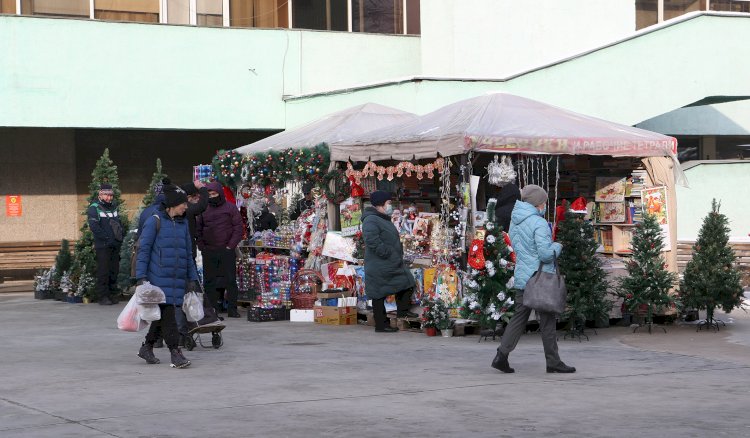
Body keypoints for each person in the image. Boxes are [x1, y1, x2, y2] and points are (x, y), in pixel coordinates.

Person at [491, 184, 576, 374]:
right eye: (544, 202)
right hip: (540, 279)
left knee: (519, 318)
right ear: (538, 203)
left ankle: (501, 355)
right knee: (547, 321)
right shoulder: (538, 223)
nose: (545, 205)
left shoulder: (515, 221)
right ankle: (553, 361)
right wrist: (558, 246)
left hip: (523, 276)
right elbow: (546, 254)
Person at [135, 184, 197, 369]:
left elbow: (188, 253)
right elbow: (143, 250)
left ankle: (147, 347)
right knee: (169, 314)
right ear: (172, 204)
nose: (186, 207)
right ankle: (175, 352)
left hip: (177, 278)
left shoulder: (183, 223)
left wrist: (192, 277)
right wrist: (141, 277)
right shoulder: (154, 221)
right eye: (183, 204)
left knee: (162, 315)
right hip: (158, 278)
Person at [361, 190, 418, 333]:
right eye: (388, 203)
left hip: (389, 262)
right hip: (379, 263)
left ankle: (402, 311)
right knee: (378, 294)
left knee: (407, 282)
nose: (390, 205)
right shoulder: (371, 219)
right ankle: (381, 324)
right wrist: (387, 253)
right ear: (381, 204)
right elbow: (372, 241)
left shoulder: (382, 218)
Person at [196, 182, 244, 318]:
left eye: (214, 194)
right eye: (209, 194)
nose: (212, 196)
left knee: (230, 280)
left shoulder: (230, 208)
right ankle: (212, 310)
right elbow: (198, 229)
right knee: (209, 282)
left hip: (226, 250)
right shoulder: (203, 209)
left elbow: (238, 228)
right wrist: (202, 247)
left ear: (220, 193)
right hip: (209, 250)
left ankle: (232, 309)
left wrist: (230, 246)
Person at [87, 183, 124, 305]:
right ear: (100, 194)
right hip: (103, 246)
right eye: (106, 195)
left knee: (114, 270)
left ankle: (112, 294)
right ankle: (103, 296)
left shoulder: (114, 206)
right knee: (103, 271)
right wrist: (107, 238)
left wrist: (119, 237)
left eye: (110, 195)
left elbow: (118, 223)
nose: (109, 198)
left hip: (115, 244)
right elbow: (94, 227)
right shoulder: (94, 207)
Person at [180, 180, 210, 259]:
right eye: (195, 196)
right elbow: (201, 206)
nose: (198, 199)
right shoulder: (185, 208)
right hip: (186, 251)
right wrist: (202, 188)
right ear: (188, 197)